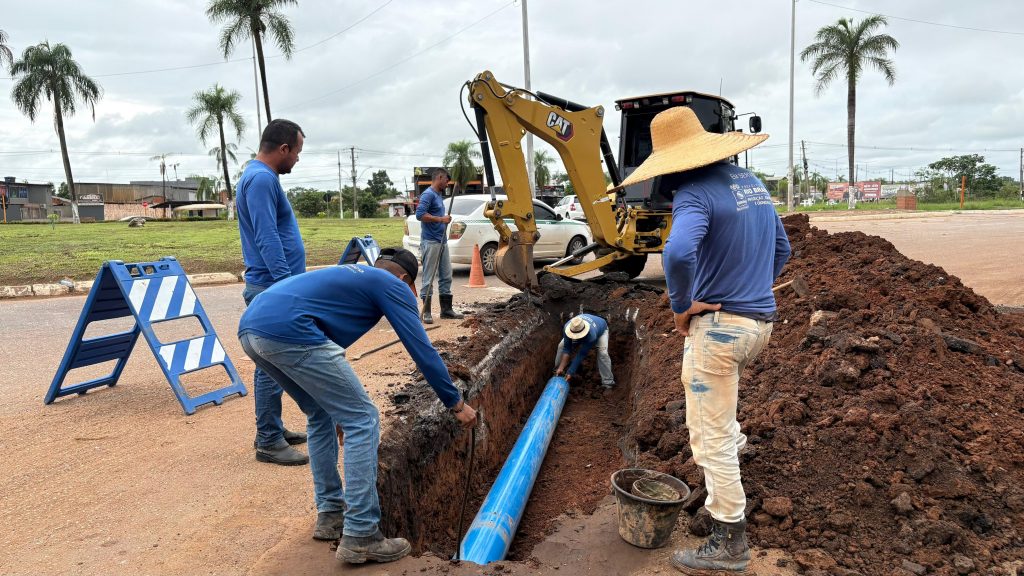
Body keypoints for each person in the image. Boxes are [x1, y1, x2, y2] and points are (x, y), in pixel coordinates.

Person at [615, 107, 789, 575]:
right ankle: (736, 450)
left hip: (719, 331)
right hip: (759, 324)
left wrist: (681, 305)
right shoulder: (751, 185)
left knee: (708, 437)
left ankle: (730, 539)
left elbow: (677, 252)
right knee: (722, 414)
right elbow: (783, 249)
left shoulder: (694, 193)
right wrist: (753, 288)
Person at [237, 248, 478, 563]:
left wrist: (338, 407)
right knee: (363, 419)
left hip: (251, 329)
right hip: (290, 332)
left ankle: (331, 514)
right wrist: (455, 403)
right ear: (405, 279)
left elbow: (326, 348)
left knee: (320, 414)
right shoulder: (391, 285)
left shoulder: (354, 278)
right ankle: (362, 532)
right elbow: (422, 350)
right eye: (412, 288)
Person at [236, 119, 309, 467]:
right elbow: (267, 237)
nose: (297, 159)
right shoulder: (262, 179)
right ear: (283, 149)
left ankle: (273, 429)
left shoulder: (259, 177)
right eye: (297, 152)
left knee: (273, 364)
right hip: (270, 286)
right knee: (271, 365)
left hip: (270, 285)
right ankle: (267, 440)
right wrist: (285, 286)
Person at [415, 168, 463, 324]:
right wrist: (441, 219)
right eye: (446, 181)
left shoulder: (438, 195)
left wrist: (443, 219)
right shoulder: (428, 194)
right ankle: (427, 312)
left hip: (442, 241)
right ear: (439, 177)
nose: (447, 184)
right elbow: (420, 215)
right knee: (428, 278)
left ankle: (446, 310)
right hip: (431, 242)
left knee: (446, 276)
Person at [553, 314, 615, 392]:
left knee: (603, 353)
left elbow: (581, 354)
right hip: (582, 328)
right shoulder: (567, 327)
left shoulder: (592, 336)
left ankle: (608, 383)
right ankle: (558, 372)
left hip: (601, 330)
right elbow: (567, 349)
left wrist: (570, 372)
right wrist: (561, 367)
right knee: (561, 346)